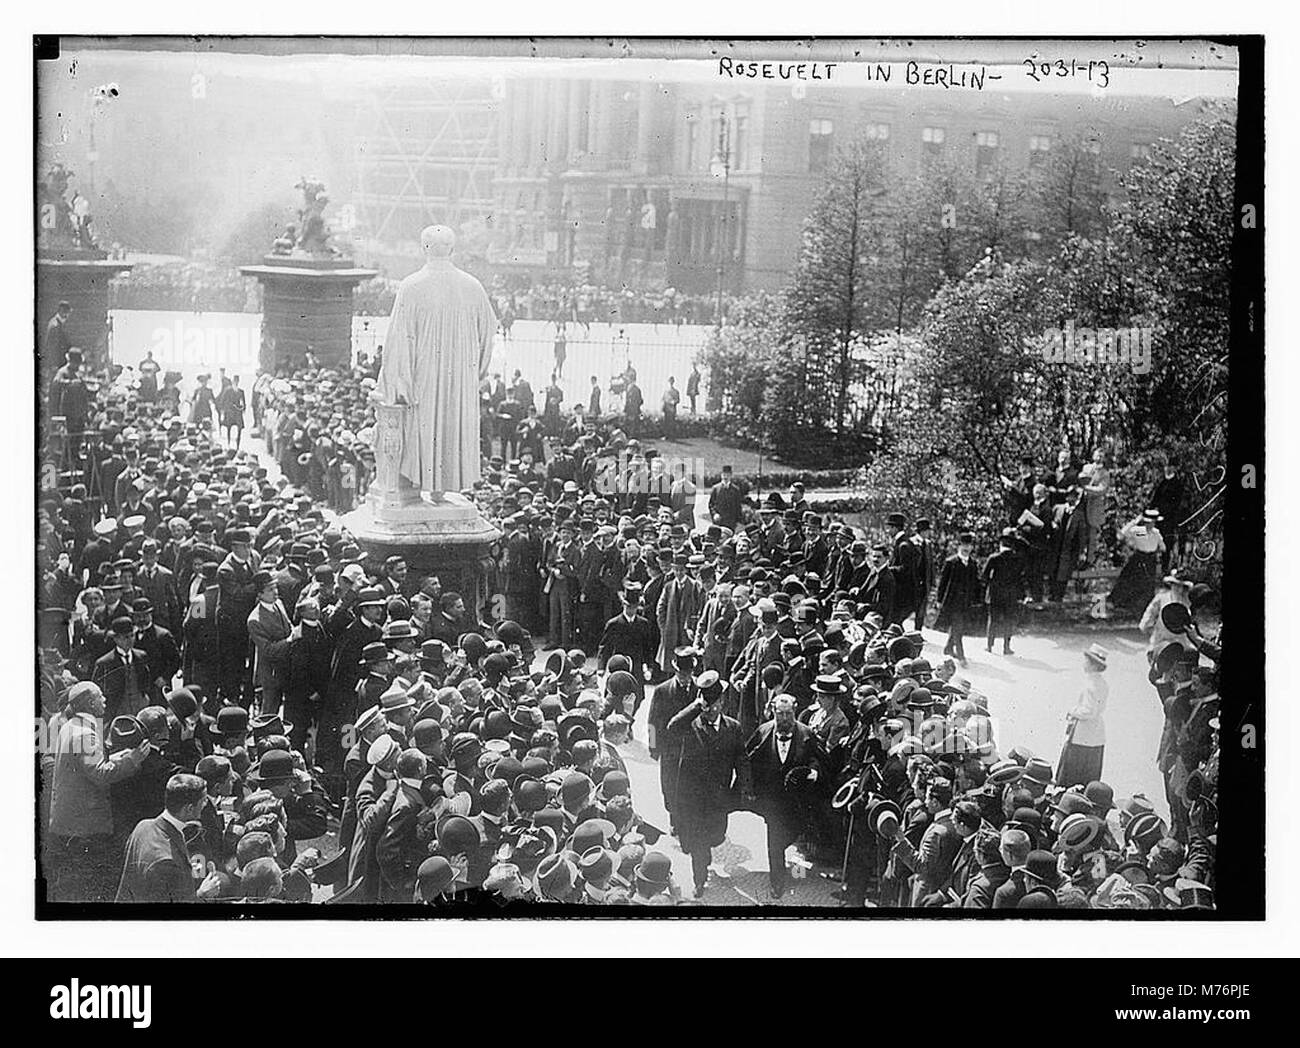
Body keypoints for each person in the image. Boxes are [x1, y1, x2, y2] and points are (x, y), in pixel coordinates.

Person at [376, 225, 496, 495]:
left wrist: (399, 382)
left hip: (424, 374)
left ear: (423, 248)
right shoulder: (473, 286)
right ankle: (443, 488)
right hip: (461, 377)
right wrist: (477, 371)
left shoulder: (411, 286)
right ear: (452, 250)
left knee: (425, 425)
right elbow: (489, 331)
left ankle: (422, 482)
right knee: (452, 425)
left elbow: (397, 340)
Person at [665, 670, 752, 897]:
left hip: (718, 798)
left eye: (717, 702)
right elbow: (671, 728)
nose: (714, 708)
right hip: (693, 799)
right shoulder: (690, 724)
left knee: (716, 835)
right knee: (698, 844)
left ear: (721, 703)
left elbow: (741, 758)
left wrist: (744, 786)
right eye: (709, 703)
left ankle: (704, 858)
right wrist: (696, 707)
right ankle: (699, 880)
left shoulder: (733, 727)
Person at [746, 694, 824, 899]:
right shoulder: (763, 731)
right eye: (780, 714)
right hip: (772, 802)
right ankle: (777, 882)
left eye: (789, 714)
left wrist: (813, 771)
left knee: (791, 834)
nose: (784, 718)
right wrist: (751, 789)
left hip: (797, 801)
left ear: (795, 712)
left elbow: (816, 757)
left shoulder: (806, 734)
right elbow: (749, 760)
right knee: (774, 841)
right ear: (773, 712)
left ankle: (790, 862)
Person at [117, 773, 217, 903]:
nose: (206, 803)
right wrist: (202, 894)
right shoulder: (165, 862)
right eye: (203, 800)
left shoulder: (143, 826)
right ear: (190, 808)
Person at [1057, 644, 1110, 787]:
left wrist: (1072, 711)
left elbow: (1089, 711)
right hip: (1095, 734)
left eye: (1086, 661)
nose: (1084, 663)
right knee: (1090, 772)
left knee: (1074, 773)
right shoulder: (1101, 683)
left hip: (1082, 735)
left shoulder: (1091, 684)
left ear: (1093, 665)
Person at [936, 531, 980, 662]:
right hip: (952, 602)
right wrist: (939, 600)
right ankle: (961, 656)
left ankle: (949, 648)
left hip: (965, 603)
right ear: (958, 546)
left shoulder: (973, 564)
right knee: (957, 627)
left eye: (969, 546)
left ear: (972, 547)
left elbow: (975, 584)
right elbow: (943, 583)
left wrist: (976, 600)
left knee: (958, 626)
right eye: (963, 545)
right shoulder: (951, 562)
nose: (966, 548)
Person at [982, 529, 1023, 655]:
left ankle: (989, 646)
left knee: (993, 619)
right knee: (1008, 619)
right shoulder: (1017, 558)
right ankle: (1006, 647)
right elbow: (1020, 578)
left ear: (1001, 544)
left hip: (995, 594)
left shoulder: (994, 558)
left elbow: (984, 576)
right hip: (1011, 594)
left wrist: (992, 583)